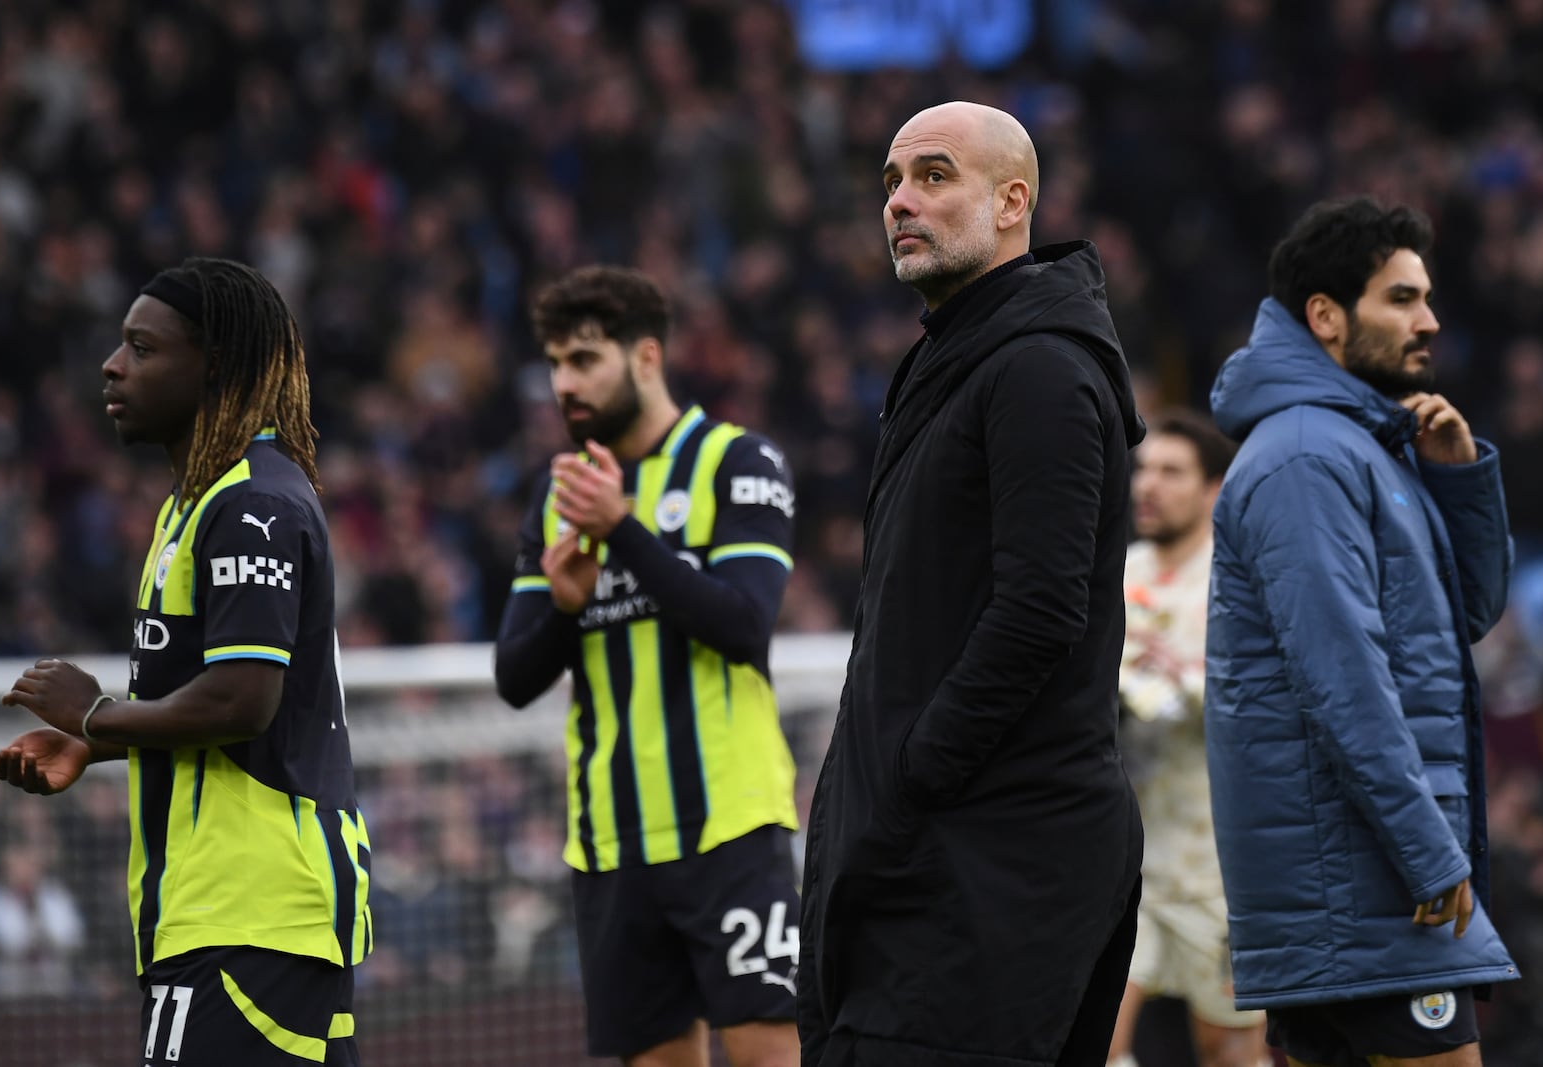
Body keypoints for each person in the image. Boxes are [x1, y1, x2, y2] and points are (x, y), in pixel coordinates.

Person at [798, 100, 1146, 1067]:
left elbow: (1039, 609)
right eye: (893, 183)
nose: (901, 202)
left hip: (992, 866)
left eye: (935, 176)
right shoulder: (956, 360)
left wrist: (915, 774)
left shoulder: (1038, 369)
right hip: (941, 859)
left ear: (1012, 202)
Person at [0, 257, 371, 1066]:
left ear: (215, 368)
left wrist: (92, 712)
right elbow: (217, 698)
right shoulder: (194, 504)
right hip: (232, 919)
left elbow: (243, 702)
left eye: (142, 348)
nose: (112, 364)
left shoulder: (252, 501)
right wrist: (100, 743)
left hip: (250, 917)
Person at [1204, 197, 1519, 1067]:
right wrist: (1428, 852)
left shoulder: (1357, 448)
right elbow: (1341, 677)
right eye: (1402, 299)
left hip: (1352, 884)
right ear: (1326, 317)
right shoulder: (1308, 457)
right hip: (1365, 886)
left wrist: (1457, 485)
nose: (1431, 320)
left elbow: (1464, 623)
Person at [493, 264, 801, 1067]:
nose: (565, 383)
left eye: (585, 359)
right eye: (555, 363)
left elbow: (744, 626)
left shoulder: (740, 462)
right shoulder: (559, 495)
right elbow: (515, 679)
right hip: (610, 842)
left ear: (647, 358)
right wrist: (564, 606)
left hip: (729, 825)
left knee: (772, 1051)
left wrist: (626, 532)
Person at [1106, 410, 1267, 1067]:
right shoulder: (1114, 574)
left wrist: (1176, 678)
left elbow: (1260, 701)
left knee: (1228, 1053)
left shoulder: (1244, 582)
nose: (1149, 484)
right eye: (1144, 469)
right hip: (1126, 864)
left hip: (1220, 868)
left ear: (1213, 489)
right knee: (1092, 1042)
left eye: (1171, 471)